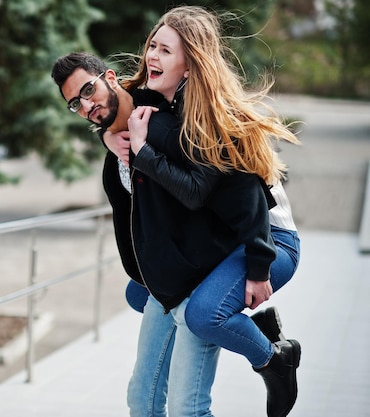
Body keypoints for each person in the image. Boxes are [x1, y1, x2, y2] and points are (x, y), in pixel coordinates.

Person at [51, 6, 300, 416]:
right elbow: (118, 113)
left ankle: (272, 357)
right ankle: (245, 327)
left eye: (165, 50)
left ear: (190, 65)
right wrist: (111, 139)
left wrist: (258, 268)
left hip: (264, 238)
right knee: (141, 293)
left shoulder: (204, 121)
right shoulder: (147, 108)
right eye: (153, 46)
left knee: (202, 321)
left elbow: (248, 200)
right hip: (215, 243)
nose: (152, 56)